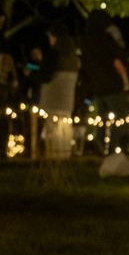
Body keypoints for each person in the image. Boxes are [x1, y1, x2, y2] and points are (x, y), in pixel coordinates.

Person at [81, 10, 129, 154]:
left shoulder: (85, 41)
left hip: (97, 85)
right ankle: (115, 149)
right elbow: (120, 55)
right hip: (113, 83)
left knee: (102, 119)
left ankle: (101, 148)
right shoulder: (105, 38)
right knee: (119, 117)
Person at [36, 24, 81, 158]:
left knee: (53, 129)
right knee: (64, 129)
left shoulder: (55, 55)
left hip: (52, 99)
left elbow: (45, 74)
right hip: (67, 101)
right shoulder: (74, 58)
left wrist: (32, 68)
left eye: (50, 38)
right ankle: (64, 155)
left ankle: (54, 158)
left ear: (56, 38)